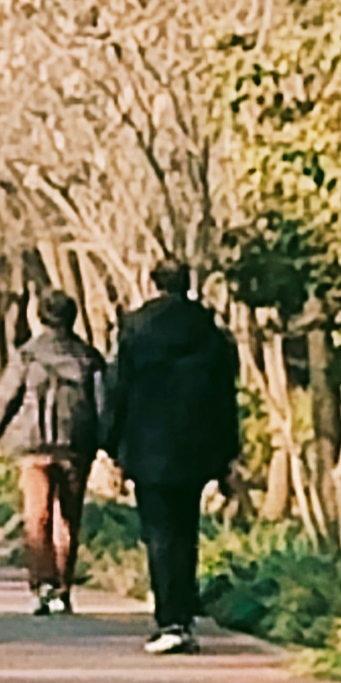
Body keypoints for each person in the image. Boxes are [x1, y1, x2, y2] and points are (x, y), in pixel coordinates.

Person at [103, 261, 242, 655]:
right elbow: (225, 397)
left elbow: (118, 390)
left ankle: (170, 619)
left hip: (148, 445)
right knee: (187, 528)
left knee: (160, 533)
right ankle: (184, 609)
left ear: (154, 284)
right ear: (189, 284)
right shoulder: (210, 334)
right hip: (197, 446)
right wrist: (227, 454)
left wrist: (112, 445)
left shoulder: (135, 330)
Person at [0, 289, 105, 616]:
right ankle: (63, 587)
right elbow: (103, 405)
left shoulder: (27, 356)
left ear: (41, 317)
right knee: (68, 520)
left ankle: (42, 584)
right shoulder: (89, 357)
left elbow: (5, 397)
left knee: (37, 517)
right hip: (76, 448)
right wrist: (109, 444)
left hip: (34, 447)